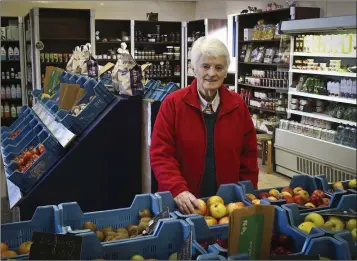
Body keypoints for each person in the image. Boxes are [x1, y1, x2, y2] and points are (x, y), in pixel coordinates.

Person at [150, 37, 259, 215]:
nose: (212, 73)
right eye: (205, 66)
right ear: (194, 69)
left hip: (228, 203)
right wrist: (178, 189)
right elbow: (161, 154)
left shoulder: (237, 105)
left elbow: (249, 155)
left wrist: (247, 192)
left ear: (225, 72)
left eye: (219, 67)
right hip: (182, 203)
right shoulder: (173, 104)